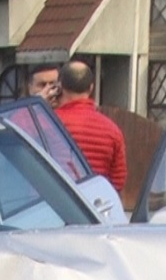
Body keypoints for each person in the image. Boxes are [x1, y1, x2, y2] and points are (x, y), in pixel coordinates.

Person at [54, 60, 127, 193]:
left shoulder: (47, 122)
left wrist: (40, 101)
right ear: (91, 87)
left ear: (60, 86)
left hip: (55, 201)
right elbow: (118, 181)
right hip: (93, 205)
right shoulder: (112, 130)